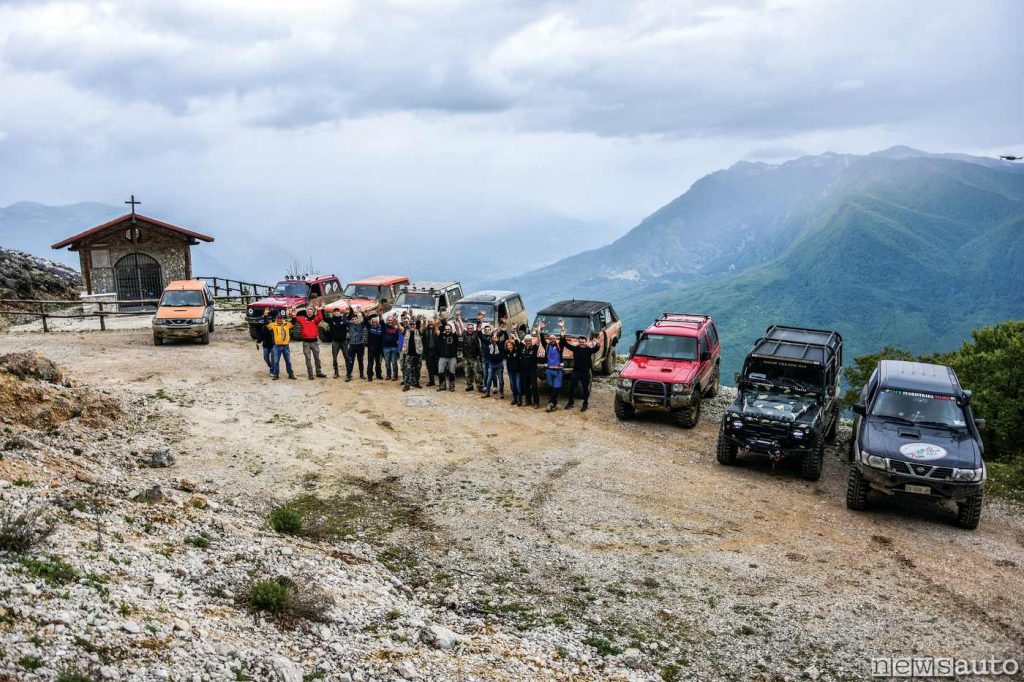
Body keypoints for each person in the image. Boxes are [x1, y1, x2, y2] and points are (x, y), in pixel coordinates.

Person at [560, 322, 599, 412]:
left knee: (585, 389)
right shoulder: (575, 348)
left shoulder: (589, 350)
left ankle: (585, 404)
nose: (582, 343)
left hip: (585, 372)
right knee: (572, 387)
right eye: (580, 342)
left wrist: (597, 342)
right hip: (576, 371)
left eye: (583, 342)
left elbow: (596, 349)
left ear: (585, 342)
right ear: (578, 342)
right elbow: (565, 343)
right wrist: (562, 329)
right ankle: (570, 403)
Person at [294, 304, 327, 380]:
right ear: (306, 312)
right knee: (308, 359)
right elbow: (295, 317)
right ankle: (310, 374)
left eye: (311, 311)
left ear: (312, 312)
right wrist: (293, 310)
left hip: (314, 342)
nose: (309, 313)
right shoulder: (302, 319)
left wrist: (318, 310)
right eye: (308, 311)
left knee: (317, 358)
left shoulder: (315, 319)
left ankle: (318, 372)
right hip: (306, 342)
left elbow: (320, 318)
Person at [454, 314, 483, 392]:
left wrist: (480, 318)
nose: (470, 329)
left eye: (471, 328)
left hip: (475, 357)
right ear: (467, 329)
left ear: (473, 329)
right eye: (468, 328)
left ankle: (480, 386)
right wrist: (459, 316)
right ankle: (470, 386)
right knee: (467, 372)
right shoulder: (464, 333)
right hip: (466, 357)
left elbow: (479, 326)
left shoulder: (476, 334)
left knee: (477, 373)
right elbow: (461, 325)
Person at [538, 321, 563, 411]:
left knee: (556, 387)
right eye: (551, 339)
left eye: (554, 339)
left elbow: (563, 339)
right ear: (549, 340)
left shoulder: (559, 346)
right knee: (551, 387)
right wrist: (541, 330)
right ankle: (554, 403)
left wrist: (562, 328)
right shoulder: (547, 346)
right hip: (549, 370)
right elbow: (542, 339)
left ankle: (550, 403)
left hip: (558, 370)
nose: (552, 340)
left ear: (556, 340)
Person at [267, 311, 297, 381]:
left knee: (288, 361)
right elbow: (266, 322)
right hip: (276, 347)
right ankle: (276, 375)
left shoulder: (286, 324)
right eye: (278, 318)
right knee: (276, 361)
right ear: (276, 319)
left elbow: (293, 322)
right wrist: (266, 314)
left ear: (282, 318)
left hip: (286, 346)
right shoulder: (273, 325)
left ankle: (290, 374)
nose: (279, 319)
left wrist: (294, 316)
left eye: (281, 318)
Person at [401, 318, 424, 391]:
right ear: (409, 325)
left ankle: (416, 383)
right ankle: (407, 385)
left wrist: (424, 321)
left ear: (415, 325)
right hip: (409, 354)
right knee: (407, 370)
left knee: (417, 369)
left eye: (413, 324)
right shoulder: (406, 331)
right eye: (410, 324)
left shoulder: (418, 331)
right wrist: (395, 319)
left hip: (418, 354)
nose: (412, 325)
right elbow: (399, 326)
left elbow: (423, 327)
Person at [519, 332, 541, 408]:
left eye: (529, 340)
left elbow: (538, 341)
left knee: (534, 386)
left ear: (531, 341)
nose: (528, 342)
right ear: (525, 341)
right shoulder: (522, 347)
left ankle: (536, 402)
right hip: (524, 370)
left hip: (533, 370)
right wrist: (515, 330)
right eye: (527, 341)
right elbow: (518, 339)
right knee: (526, 386)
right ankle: (528, 401)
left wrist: (538, 333)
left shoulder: (534, 347)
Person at [326, 307, 349, 378]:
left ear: (340, 312)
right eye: (335, 311)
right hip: (335, 342)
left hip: (343, 341)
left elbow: (350, 317)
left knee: (347, 357)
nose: (336, 312)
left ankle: (348, 372)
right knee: (334, 358)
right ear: (333, 313)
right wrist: (322, 309)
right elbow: (324, 318)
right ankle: (336, 372)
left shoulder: (344, 320)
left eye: (337, 311)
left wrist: (349, 309)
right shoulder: (331, 320)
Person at [345, 308, 367, 381]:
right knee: (351, 361)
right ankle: (349, 375)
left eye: (355, 319)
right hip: (352, 345)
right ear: (352, 320)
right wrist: (347, 313)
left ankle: (361, 374)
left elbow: (366, 320)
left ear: (358, 319)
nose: (354, 320)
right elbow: (344, 320)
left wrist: (362, 312)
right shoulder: (350, 325)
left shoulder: (361, 324)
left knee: (360, 360)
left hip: (360, 344)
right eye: (353, 319)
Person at [436, 321, 459, 392]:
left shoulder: (454, 335)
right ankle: (442, 386)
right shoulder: (441, 335)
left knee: (452, 372)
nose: (447, 330)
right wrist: (436, 323)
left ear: (451, 329)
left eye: (448, 329)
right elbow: (436, 330)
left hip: (452, 357)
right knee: (440, 371)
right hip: (442, 357)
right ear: (444, 330)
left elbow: (458, 330)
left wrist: (456, 323)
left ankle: (451, 386)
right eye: (446, 329)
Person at [482, 330, 505, 398]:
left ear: (498, 338)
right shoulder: (489, 344)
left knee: (500, 380)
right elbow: (481, 337)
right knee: (489, 379)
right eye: (493, 336)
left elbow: (502, 348)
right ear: (491, 337)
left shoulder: (500, 344)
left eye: (496, 336)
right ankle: (487, 392)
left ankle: (501, 393)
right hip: (491, 364)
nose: (494, 337)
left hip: (499, 364)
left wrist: (497, 340)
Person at [366, 314, 384, 382]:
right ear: (371, 322)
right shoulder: (370, 328)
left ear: (378, 322)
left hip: (379, 349)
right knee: (370, 363)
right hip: (371, 349)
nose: (375, 323)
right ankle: (370, 376)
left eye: (376, 322)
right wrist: (371, 315)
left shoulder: (381, 328)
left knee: (378, 363)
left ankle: (378, 375)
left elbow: (383, 323)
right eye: (373, 322)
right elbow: (366, 320)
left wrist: (379, 315)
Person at [382, 315, 401, 381]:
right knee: (387, 363)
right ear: (387, 321)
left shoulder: (396, 327)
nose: (390, 321)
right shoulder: (384, 326)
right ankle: (388, 375)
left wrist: (396, 322)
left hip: (394, 347)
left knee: (394, 362)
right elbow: (381, 320)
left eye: (391, 320)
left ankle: (395, 376)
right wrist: (380, 314)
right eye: (389, 320)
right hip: (386, 347)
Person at [504, 338, 522, 405]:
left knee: (518, 385)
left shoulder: (517, 351)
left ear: (513, 345)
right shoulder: (506, 353)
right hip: (510, 372)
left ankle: (520, 400)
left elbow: (519, 346)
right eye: (508, 345)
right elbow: (500, 346)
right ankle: (515, 399)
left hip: (517, 371)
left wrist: (516, 340)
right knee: (512, 386)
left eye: (510, 345)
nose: (509, 346)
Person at [424, 318, 441, 387]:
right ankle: (431, 381)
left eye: (431, 322)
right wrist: (424, 322)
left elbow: (438, 333)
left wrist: (436, 325)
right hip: (428, 351)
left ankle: (441, 382)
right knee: (430, 367)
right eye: (429, 322)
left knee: (438, 368)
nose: (430, 323)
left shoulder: (437, 329)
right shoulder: (426, 330)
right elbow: (422, 330)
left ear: (434, 323)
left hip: (436, 352)